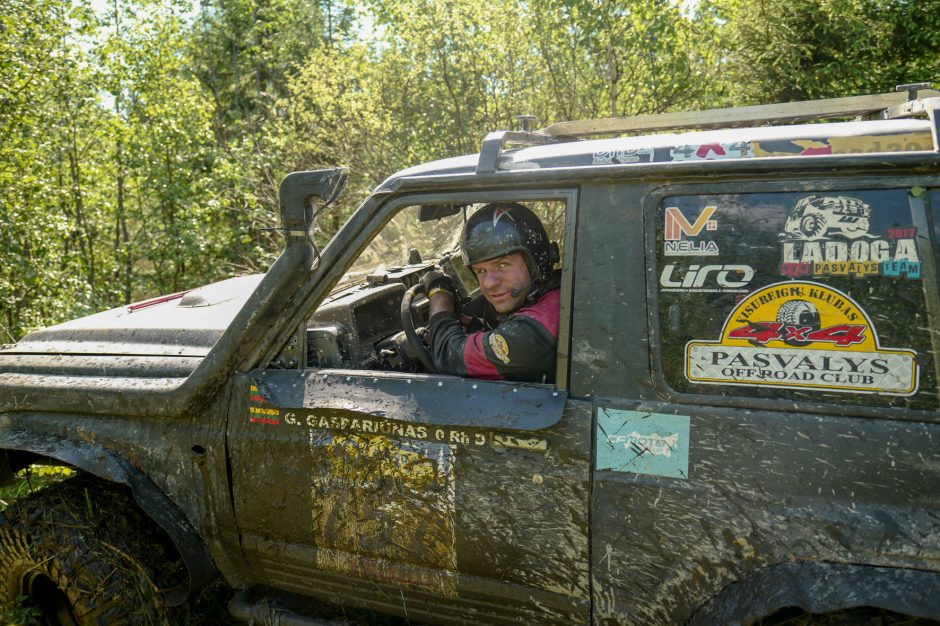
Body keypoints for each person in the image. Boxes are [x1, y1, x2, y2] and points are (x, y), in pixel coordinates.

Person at [421, 203, 561, 383]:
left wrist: (439, 296)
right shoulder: (553, 296)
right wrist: (474, 326)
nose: (489, 284)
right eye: (480, 271)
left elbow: (449, 357)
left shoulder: (536, 328)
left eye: (502, 265)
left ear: (535, 263)